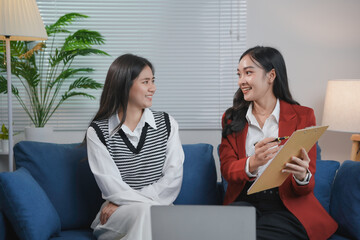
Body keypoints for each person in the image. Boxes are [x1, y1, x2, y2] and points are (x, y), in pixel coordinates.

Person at [219, 46, 338, 240]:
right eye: (239, 74)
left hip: (287, 205)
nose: (242, 81)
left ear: (271, 75)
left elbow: (307, 183)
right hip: (244, 201)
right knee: (230, 231)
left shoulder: (303, 116)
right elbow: (227, 169)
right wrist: (253, 162)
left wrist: (302, 176)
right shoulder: (231, 118)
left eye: (248, 73)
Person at [85, 54, 184, 240]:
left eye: (153, 81)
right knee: (146, 214)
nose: (153, 88)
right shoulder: (98, 131)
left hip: (152, 209)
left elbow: (173, 180)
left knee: (149, 215)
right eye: (145, 82)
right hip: (116, 218)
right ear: (125, 85)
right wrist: (125, 204)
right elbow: (113, 189)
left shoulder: (167, 124)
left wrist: (122, 203)